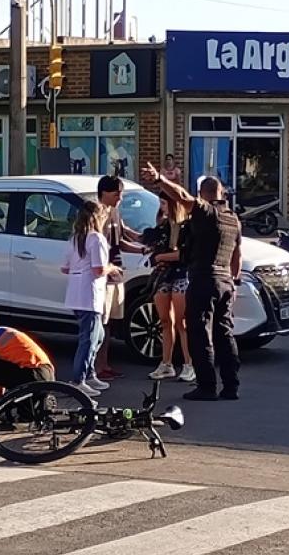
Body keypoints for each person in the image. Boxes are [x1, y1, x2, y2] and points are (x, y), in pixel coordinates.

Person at [142, 166, 242, 401]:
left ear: (203, 194)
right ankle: (231, 386)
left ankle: (207, 387)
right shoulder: (233, 219)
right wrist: (234, 281)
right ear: (221, 193)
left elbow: (182, 196)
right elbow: (237, 254)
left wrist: (160, 179)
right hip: (225, 282)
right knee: (225, 333)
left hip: (204, 279)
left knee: (200, 333)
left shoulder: (207, 212)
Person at [62, 201, 118, 397]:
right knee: (88, 339)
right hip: (90, 295)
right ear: (98, 218)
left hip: (76, 294)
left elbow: (65, 268)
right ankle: (78, 380)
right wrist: (112, 268)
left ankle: (89, 373)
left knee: (98, 335)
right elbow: (99, 269)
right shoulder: (96, 239)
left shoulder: (74, 239)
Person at [94, 175, 147, 380]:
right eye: (117, 194)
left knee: (110, 324)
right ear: (104, 193)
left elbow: (122, 239)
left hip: (117, 275)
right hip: (103, 277)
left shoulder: (115, 212)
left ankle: (105, 364)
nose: (120, 198)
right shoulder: (96, 215)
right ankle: (95, 368)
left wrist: (143, 247)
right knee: (100, 323)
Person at [147, 192, 195, 382]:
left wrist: (160, 257)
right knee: (165, 321)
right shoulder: (163, 225)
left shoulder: (187, 226)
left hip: (182, 273)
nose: (162, 207)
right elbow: (149, 241)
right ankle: (166, 363)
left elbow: (184, 254)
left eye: (165, 203)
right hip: (164, 275)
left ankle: (189, 364)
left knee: (181, 322)